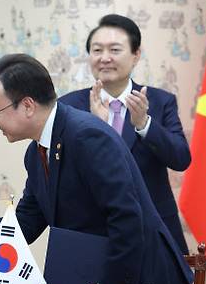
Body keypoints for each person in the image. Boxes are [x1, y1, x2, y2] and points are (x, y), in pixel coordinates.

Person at [0, 53, 192, 284]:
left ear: (27, 105)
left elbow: (126, 215)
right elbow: (27, 220)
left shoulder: (86, 136)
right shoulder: (37, 152)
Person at [59, 14, 190, 253]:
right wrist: (97, 130)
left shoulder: (159, 101)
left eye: (115, 49)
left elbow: (181, 158)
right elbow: (62, 170)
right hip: (90, 234)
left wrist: (144, 125)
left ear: (136, 55)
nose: (105, 58)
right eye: (97, 50)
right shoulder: (69, 107)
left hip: (151, 232)